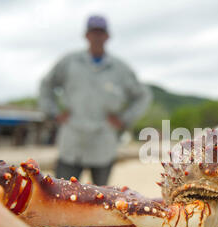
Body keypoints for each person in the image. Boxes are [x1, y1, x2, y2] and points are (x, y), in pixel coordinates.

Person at [39, 15, 152, 186]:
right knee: (61, 193)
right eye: (94, 32)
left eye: (101, 32)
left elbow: (143, 95)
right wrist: (53, 113)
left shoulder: (120, 69)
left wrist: (124, 119)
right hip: (72, 140)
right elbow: (46, 85)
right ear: (87, 35)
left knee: (101, 198)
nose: (97, 36)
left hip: (103, 142)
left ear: (107, 36)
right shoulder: (69, 62)